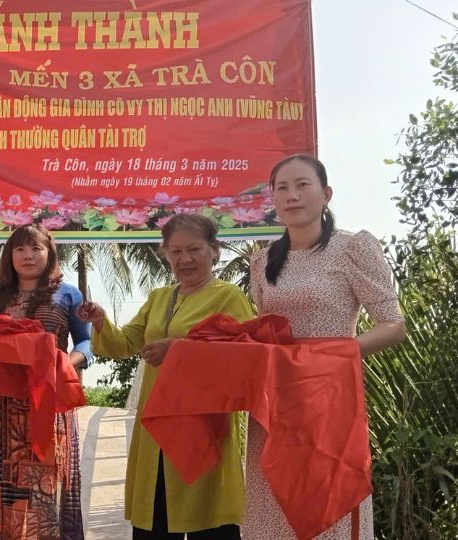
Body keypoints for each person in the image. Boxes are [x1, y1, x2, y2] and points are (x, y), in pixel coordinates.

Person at [245, 154, 406, 540]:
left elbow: (394, 326)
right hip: (275, 401)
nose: (292, 195)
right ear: (273, 199)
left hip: (329, 397)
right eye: (282, 188)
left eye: (302, 185)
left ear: (326, 194)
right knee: (271, 503)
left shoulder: (353, 248)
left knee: (328, 505)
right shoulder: (262, 261)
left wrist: (328, 357)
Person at [78, 214, 252, 540]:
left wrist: (180, 349)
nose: (185, 259)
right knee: (154, 522)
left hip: (202, 429)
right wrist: (101, 320)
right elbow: (125, 343)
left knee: (209, 522)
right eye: (176, 251)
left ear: (214, 251)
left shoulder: (228, 297)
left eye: (194, 249)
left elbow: (245, 356)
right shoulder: (159, 298)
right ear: (166, 254)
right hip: (155, 429)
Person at [0, 224, 91, 539]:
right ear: (10, 256)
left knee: (47, 486)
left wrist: (63, 364)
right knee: (7, 490)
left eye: (36, 248)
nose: (28, 255)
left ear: (49, 253)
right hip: (5, 411)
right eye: (20, 249)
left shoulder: (68, 294)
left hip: (50, 404)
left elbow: (86, 344)